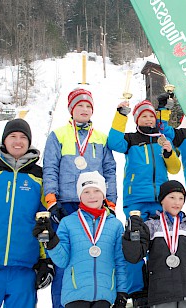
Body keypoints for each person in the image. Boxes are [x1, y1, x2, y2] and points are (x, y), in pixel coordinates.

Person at [43, 87, 117, 308]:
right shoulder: (58, 135)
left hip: (95, 205)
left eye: (88, 106)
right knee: (63, 261)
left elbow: (110, 170)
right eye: (80, 106)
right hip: (66, 205)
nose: (84, 110)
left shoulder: (101, 138)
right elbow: (50, 168)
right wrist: (52, 200)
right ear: (71, 109)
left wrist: (110, 202)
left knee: (94, 259)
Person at [108, 99, 181, 306]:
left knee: (161, 244)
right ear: (136, 119)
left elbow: (175, 169)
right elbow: (113, 142)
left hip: (160, 202)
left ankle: (160, 285)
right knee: (134, 245)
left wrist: (168, 152)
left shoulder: (162, 139)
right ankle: (137, 290)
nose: (148, 119)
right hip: (136, 202)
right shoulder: (130, 139)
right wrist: (120, 115)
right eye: (144, 116)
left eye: (151, 116)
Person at [121, 180, 186, 308]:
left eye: (181, 198)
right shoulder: (151, 226)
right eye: (172, 197)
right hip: (161, 293)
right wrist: (133, 233)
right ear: (162, 200)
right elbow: (134, 256)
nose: (177, 202)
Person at [33, 171, 128, 308]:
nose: (92, 196)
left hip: (105, 296)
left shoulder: (115, 225)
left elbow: (120, 262)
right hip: (74, 295)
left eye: (96, 190)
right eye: (86, 192)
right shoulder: (68, 223)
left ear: (103, 194)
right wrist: (52, 241)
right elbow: (62, 260)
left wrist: (122, 292)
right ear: (79, 195)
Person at [0, 119, 53, 308]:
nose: (18, 141)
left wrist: (46, 261)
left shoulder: (39, 176)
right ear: (4, 140)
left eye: (23, 137)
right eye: (13, 136)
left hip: (24, 267)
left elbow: (46, 221)